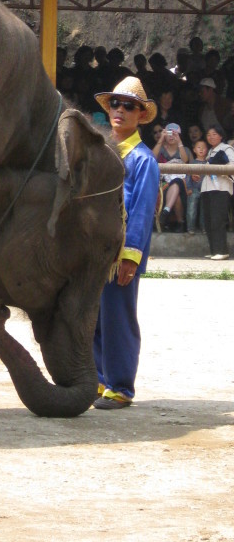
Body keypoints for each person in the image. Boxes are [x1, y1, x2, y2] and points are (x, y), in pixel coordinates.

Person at [93, 78, 160, 410]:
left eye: (128, 105)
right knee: (92, 316)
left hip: (120, 254)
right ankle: (98, 378)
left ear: (140, 115)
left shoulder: (143, 160)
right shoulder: (101, 152)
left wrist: (131, 258)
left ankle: (120, 386)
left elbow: (143, 212)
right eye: (116, 104)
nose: (120, 110)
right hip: (93, 252)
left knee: (118, 317)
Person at [200, 125, 234, 261]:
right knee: (208, 220)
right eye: (208, 134)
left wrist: (218, 169)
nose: (211, 137)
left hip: (221, 188)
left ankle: (222, 250)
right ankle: (214, 251)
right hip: (207, 188)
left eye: (214, 134)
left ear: (221, 136)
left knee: (217, 220)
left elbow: (232, 165)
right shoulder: (210, 152)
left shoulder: (226, 149)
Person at [152, 123, 190, 233]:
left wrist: (179, 142)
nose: (171, 136)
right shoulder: (161, 149)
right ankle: (179, 222)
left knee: (177, 182)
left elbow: (185, 160)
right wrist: (161, 139)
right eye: (169, 133)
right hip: (163, 184)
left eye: (175, 134)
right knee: (176, 196)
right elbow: (152, 157)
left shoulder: (184, 149)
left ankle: (167, 212)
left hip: (182, 184)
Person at [186, 139, 209, 235]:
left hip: (205, 189)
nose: (201, 149)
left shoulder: (209, 163)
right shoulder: (192, 163)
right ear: (194, 150)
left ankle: (204, 228)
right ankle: (191, 228)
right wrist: (188, 188)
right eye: (199, 147)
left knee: (205, 210)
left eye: (203, 148)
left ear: (207, 150)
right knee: (191, 209)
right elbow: (187, 176)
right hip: (194, 189)